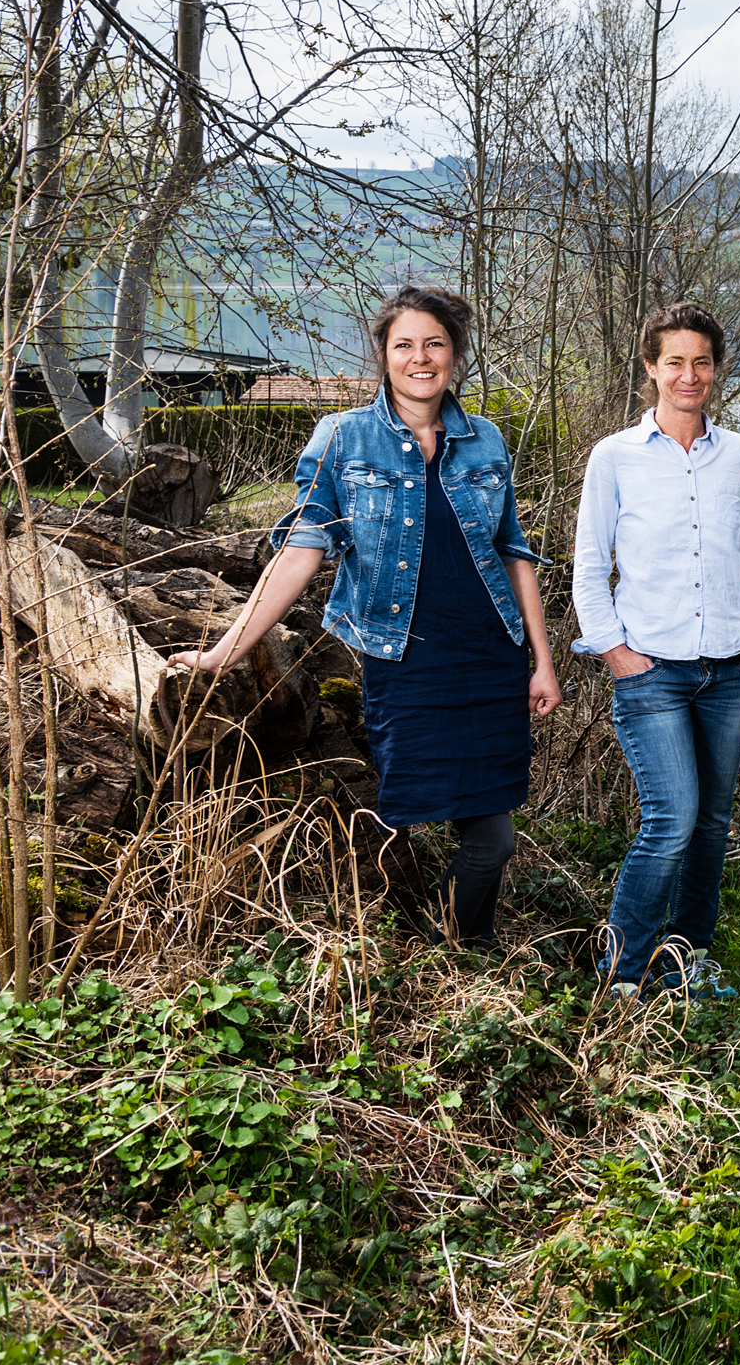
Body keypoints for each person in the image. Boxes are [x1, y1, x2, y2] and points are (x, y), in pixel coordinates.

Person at [173, 287, 561, 948]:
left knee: (492, 836)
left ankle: (467, 949)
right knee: (395, 813)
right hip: (402, 658)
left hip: (490, 656)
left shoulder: (484, 438)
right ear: (383, 355)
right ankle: (390, 957)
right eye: (403, 344)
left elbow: (512, 551)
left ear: (455, 354)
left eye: (434, 343)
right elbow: (299, 554)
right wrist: (222, 654)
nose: (419, 357)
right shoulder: (343, 435)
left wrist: (542, 660)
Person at [573, 301, 740, 1003]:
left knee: (711, 825)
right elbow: (586, 565)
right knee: (670, 820)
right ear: (650, 368)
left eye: (702, 361)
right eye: (675, 361)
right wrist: (614, 652)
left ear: (716, 369)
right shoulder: (614, 457)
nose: (689, 374)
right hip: (652, 672)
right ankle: (624, 972)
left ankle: (685, 958)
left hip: (732, 669)